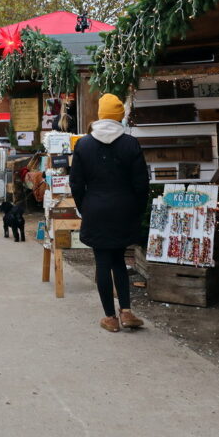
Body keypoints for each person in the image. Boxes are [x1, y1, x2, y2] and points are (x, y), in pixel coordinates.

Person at [69, 94, 148, 333]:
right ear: (120, 116)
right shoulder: (130, 144)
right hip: (124, 208)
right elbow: (141, 184)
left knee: (102, 262)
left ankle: (110, 317)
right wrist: (137, 210)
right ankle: (126, 310)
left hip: (95, 207)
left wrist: (85, 207)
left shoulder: (83, 144)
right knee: (120, 261)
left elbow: (76, 184)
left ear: (100, 114)